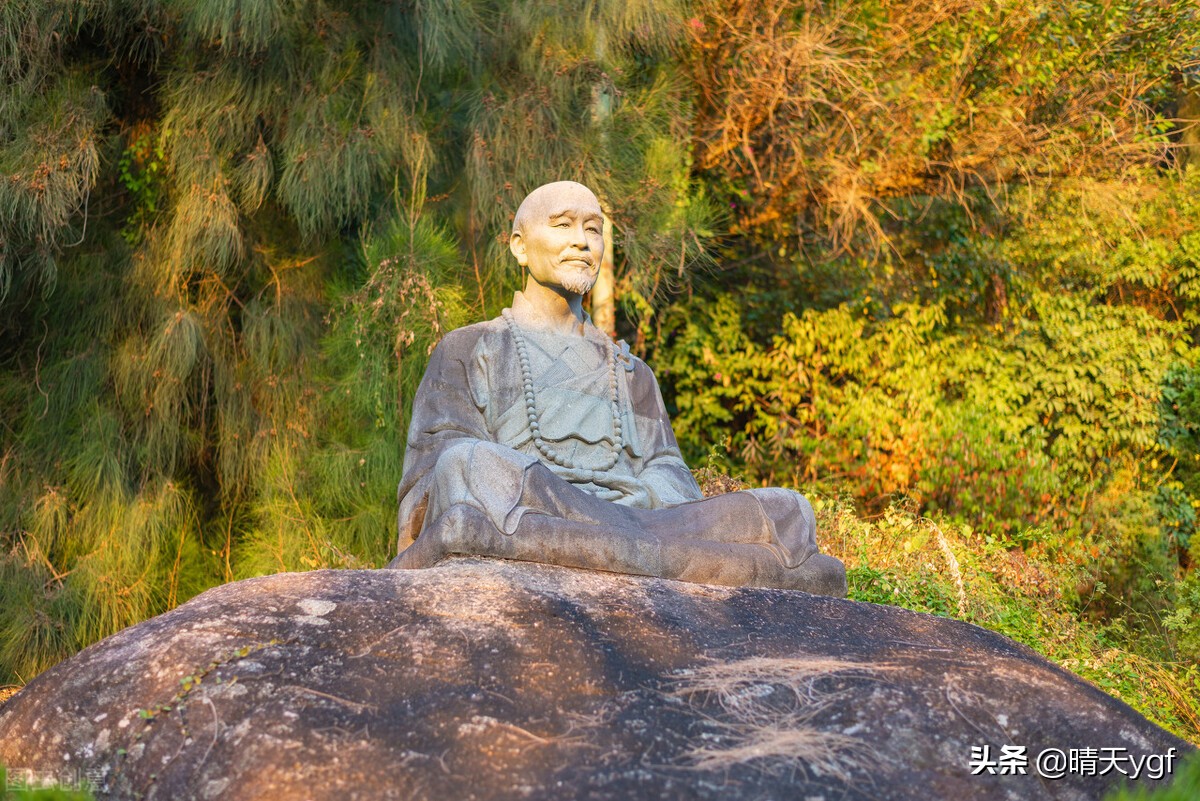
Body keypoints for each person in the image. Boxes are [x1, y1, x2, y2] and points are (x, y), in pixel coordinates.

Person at [388, 181, 846, 595]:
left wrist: (642, 499)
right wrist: (551, 490)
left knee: (788, 510)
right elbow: (434, 475)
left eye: (593, 229)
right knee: (470, 463)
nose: (581, 242)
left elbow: (669, 471)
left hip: (640, 521)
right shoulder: (471, 347)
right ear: (520, 247)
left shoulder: (630, 370)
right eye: (563, 225)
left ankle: (620, 549)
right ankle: (657, 557)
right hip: (544, 504)